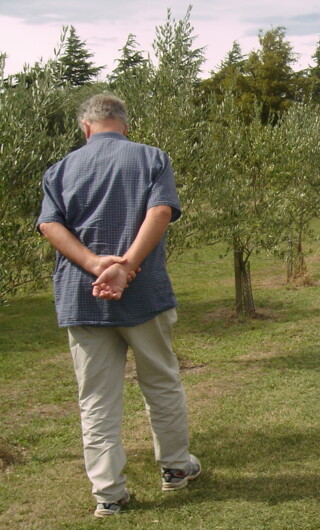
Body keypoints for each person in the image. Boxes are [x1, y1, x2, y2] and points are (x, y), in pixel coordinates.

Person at [37, 94, 201, 518]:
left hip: (82, 294)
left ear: (85, 128)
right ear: (124, 125)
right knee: (161, 383)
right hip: (143, 293)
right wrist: (126, 266)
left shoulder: (59, 170)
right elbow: (161, 211)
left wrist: (95, 264)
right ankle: (175, 470)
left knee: (95, 398)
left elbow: (49, 224)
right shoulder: (152, 158)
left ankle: (108, 493)